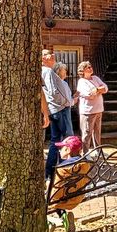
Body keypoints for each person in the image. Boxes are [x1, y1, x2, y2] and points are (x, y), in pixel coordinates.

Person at [41, 49, 73, 178]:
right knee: (68, 140)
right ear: (43, 58)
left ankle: (50, 173)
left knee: (55, 141)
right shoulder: (48, 71)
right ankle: (67, 170)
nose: (52, 55)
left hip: (54, 110)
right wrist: (66, 102)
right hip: (60, 110)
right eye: (48, 53)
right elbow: (54, 92)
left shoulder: (44, 71)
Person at [76, 61, 108, 152]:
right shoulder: (82, 82)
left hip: (98, 110)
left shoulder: (95, 78)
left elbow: (105, 88)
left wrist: (97, 90)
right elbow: (90, 95)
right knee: (87, 133)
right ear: (83, 71)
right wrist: (99, 89)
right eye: (88, 67)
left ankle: (98, 151)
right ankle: (85, 152)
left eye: (90, 66)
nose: (91, 68)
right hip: (88, 111)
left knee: (97, 132)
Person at [53, 62, 75, 137]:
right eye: (64, 70)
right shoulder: (61, 83)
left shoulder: (63, 83)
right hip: (64, 110)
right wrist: (73, 101)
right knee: (67, 133)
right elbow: (66, 100)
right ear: (58, 71)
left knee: (59, 135)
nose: (66, 71)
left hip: (61, 109)